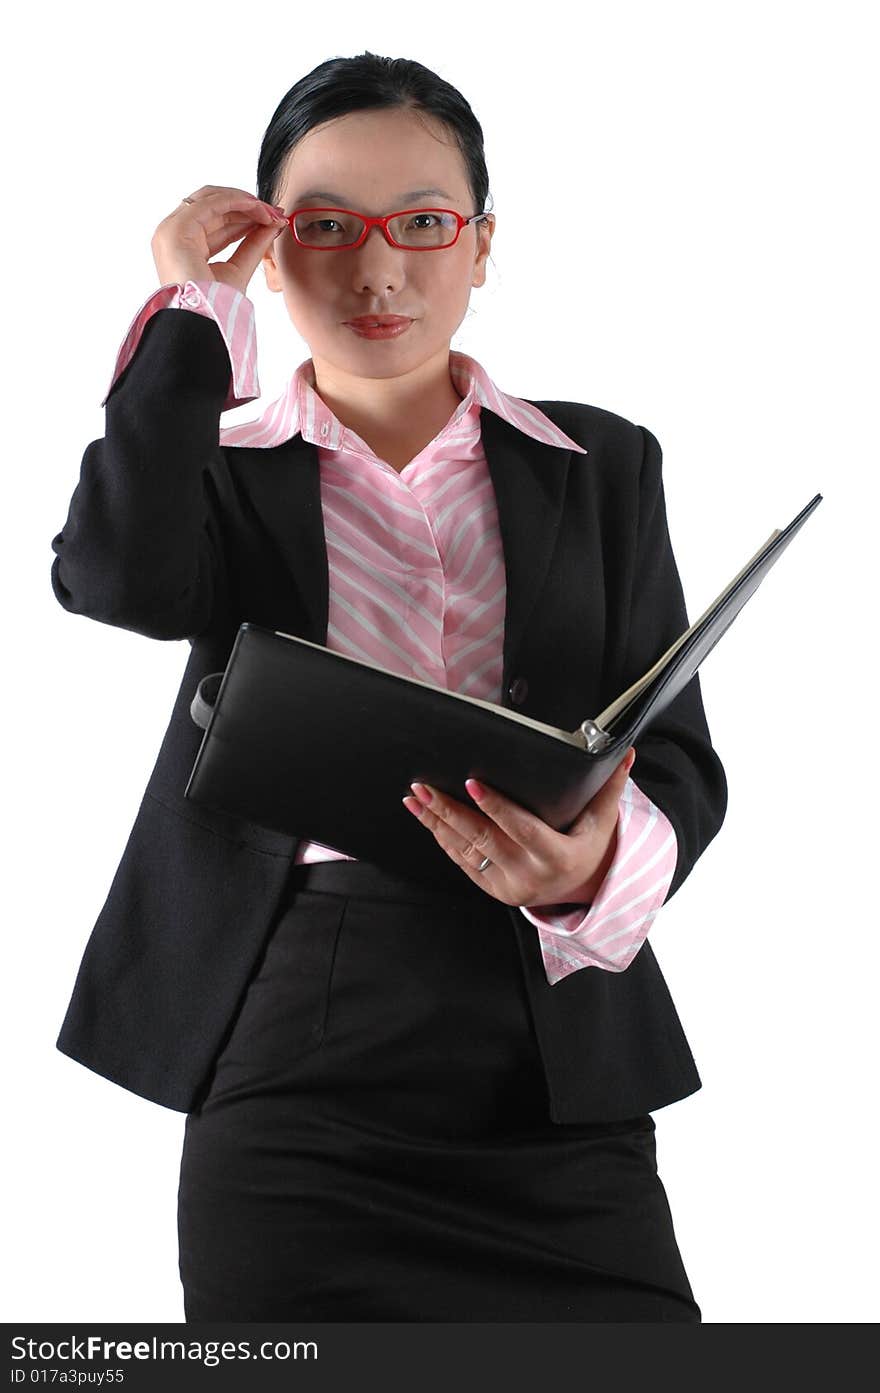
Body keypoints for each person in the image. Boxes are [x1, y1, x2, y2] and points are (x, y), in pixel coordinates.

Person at [50, 52, 727, 1322]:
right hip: (293, 1029)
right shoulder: (216, 464)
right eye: (325, 229)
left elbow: (677, 761)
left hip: (552, 1045)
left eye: (424, 224)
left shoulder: (603, 465)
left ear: (481, 247)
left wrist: (584, 866)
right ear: (272, 248)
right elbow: (114, 580)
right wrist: (191, 306)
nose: (378, 271)